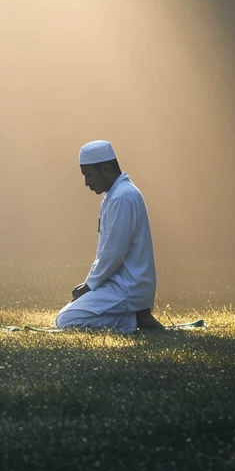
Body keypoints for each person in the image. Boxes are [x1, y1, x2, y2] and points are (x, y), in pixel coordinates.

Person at [57, 140, 164, 332]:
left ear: (105, 169)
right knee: (65, 314)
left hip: (127, 288)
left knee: (67, 320)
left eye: (89, 175)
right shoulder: (115, 195)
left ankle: (136, 319)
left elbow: (113, 253)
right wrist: (90, 284)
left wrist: (89, 286)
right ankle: (136, 317)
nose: (87, 183)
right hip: (118, 285)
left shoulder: (123, 197)